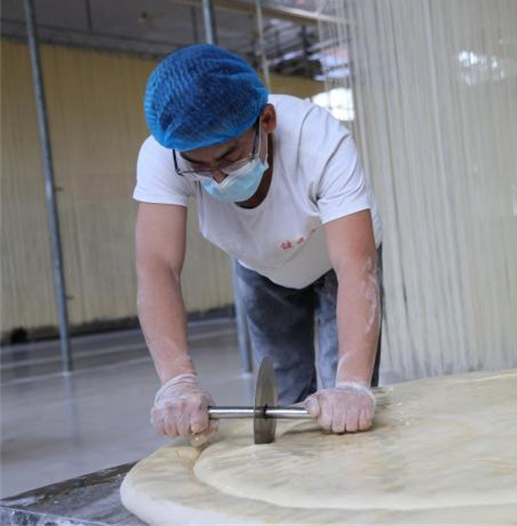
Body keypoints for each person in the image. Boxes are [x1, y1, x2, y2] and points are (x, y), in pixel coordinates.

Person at [134, 44, 382, 446]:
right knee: (286, 387)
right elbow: (157, 266)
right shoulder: (165, 153)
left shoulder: (319, 142)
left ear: (266, 120)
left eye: (229, 155)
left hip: (338, 259)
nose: (218, 179)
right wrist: (177, 380)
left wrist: (353, 386)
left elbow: (356, 268)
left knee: (346, 397)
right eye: (200, 166)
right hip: (260, 263)